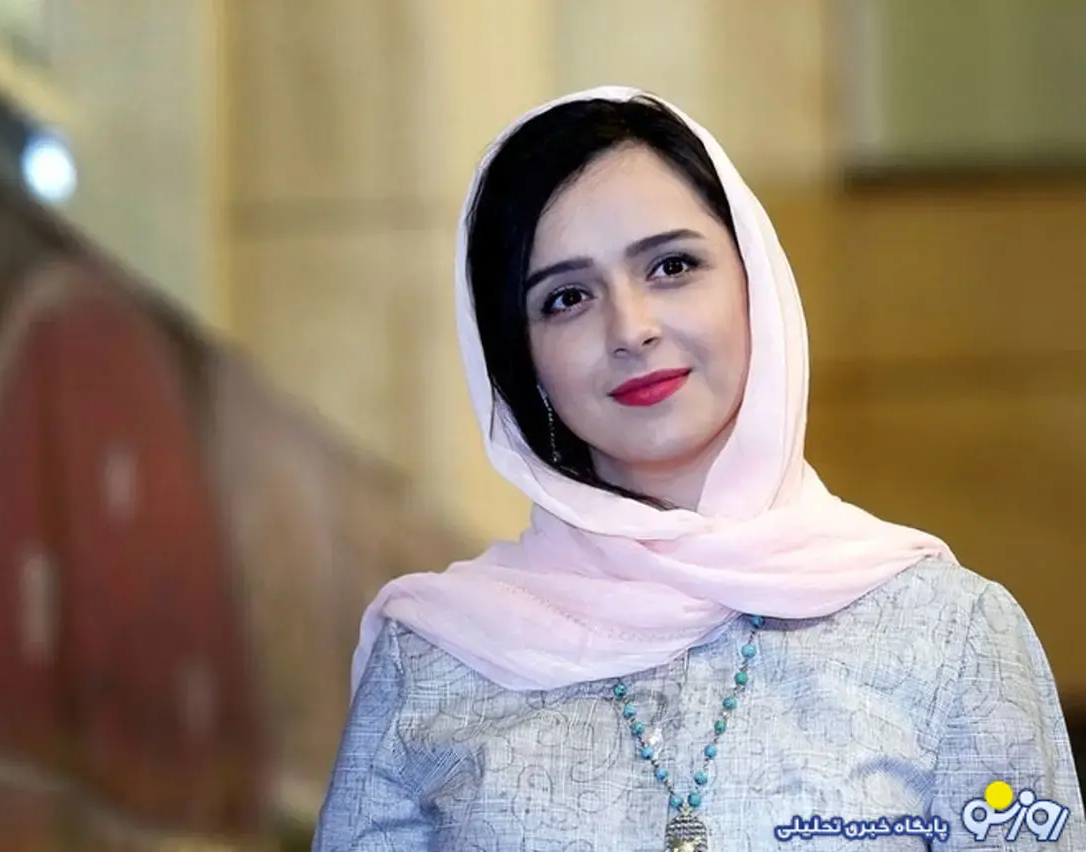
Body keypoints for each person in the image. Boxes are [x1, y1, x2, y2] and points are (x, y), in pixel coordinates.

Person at [312, 86, 1082, 851]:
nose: (631, 329)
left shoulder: (947, 633)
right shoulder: (435, 658)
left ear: (756, 285)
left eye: (672, 266)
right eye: (567, 298)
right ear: (521, 362)